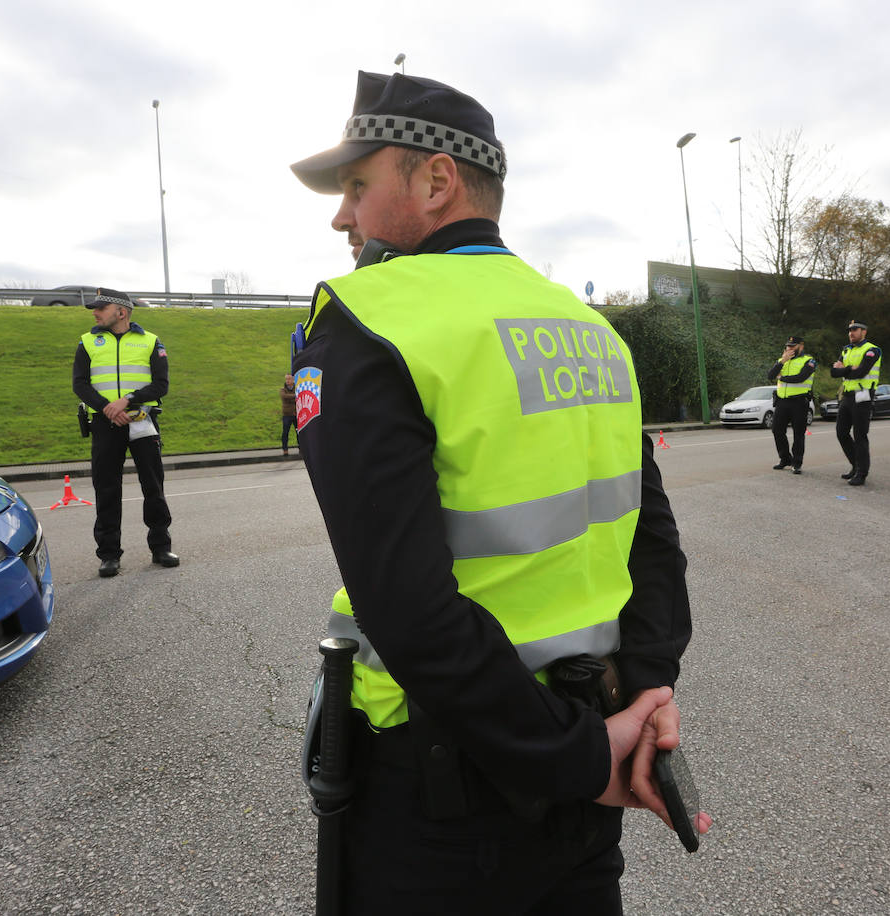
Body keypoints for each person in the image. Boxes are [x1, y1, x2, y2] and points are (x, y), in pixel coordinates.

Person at [289, 70, 706, 913]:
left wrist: (582, 758)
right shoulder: (588, 329)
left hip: (446, 795)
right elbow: (651, 542)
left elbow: (408, 609)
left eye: (358, 187)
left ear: (436, 181)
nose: (343, 216)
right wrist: (641, 698)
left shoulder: (372, 321)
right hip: (588, 759)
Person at [71, 287, 179, 577]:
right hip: (106, 424)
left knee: (153, 486)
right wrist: (109, 408)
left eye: (100, 308)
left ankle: (160, 547)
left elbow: (161, 385)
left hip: (142, 419)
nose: (95, 313)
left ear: (121, 312)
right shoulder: (88, 342)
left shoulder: (150, 341)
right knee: (106, 489)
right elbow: (80, 384)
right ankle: (109, 555)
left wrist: (127, 400)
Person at [830, 318, 882, 487]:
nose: (851, 333)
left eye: (855, 330)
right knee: (841, 432)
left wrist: (843, 369)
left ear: (864, 332)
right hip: (847, 396)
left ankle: (862, 472)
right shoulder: (846, 350)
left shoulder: (872, 350)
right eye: (850, 330)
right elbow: (833, 372)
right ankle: (855, 465)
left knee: (860, 435)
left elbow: (861, 372)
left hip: (863, 396)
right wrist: (848, 369)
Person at [766, 334, 816, 474]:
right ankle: (785, 459)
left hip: (799, 402)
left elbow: (800, 378)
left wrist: (782, 377)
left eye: (793, 346)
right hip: (782, 401)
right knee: (777, 430)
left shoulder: (809, 361)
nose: (789, 349)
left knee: (798, 433)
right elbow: (770, 376)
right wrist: (782, 361)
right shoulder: (783, 360)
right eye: (788, 346)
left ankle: (797, 463)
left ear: (801, 346)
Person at [279, 370, 296, 456]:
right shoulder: (283, 389)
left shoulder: (297, 388)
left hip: (296, 414)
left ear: (293, 379)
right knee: (285, 432)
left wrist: (292, 397)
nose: (287, 381)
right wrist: (295, 396)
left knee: (299, 433)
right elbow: (284, 397)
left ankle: (302, 449)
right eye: (286, 379)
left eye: (289, 379)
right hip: (287, 415)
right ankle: (285, 449)